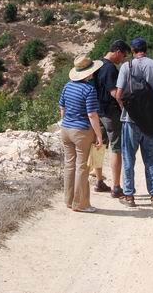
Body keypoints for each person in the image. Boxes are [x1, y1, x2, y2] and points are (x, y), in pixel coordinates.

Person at [115, 37, 153, 208]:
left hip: (130, 120)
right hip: (151, 121)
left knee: (129, 158)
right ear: (146, 49)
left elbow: (118, 95)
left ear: (132, 50)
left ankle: (129, 196)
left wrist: (130, 108)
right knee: (152, 159)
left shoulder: (126, 66)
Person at [58, 55, 104, 213]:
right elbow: (92, 115)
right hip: (82, 131)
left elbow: (62, 109)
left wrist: (67, 123)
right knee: (82, 167)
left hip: (66, 130)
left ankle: (69, 200)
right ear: (89, 73)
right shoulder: (89, 89)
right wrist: (99, 135)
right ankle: (81, 204)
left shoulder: (67, 86)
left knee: (69, 165)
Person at [93, 39, 130, 197]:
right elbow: (115, 93)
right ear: (117, 52)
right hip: (110, 113)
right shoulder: (110, 69)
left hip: (96, 111)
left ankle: (99, 181)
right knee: (116, 148)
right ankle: (116, 187)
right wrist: (125, 107)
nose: (122, 59)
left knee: (98, 146)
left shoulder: (97, 65)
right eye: (123, 56)